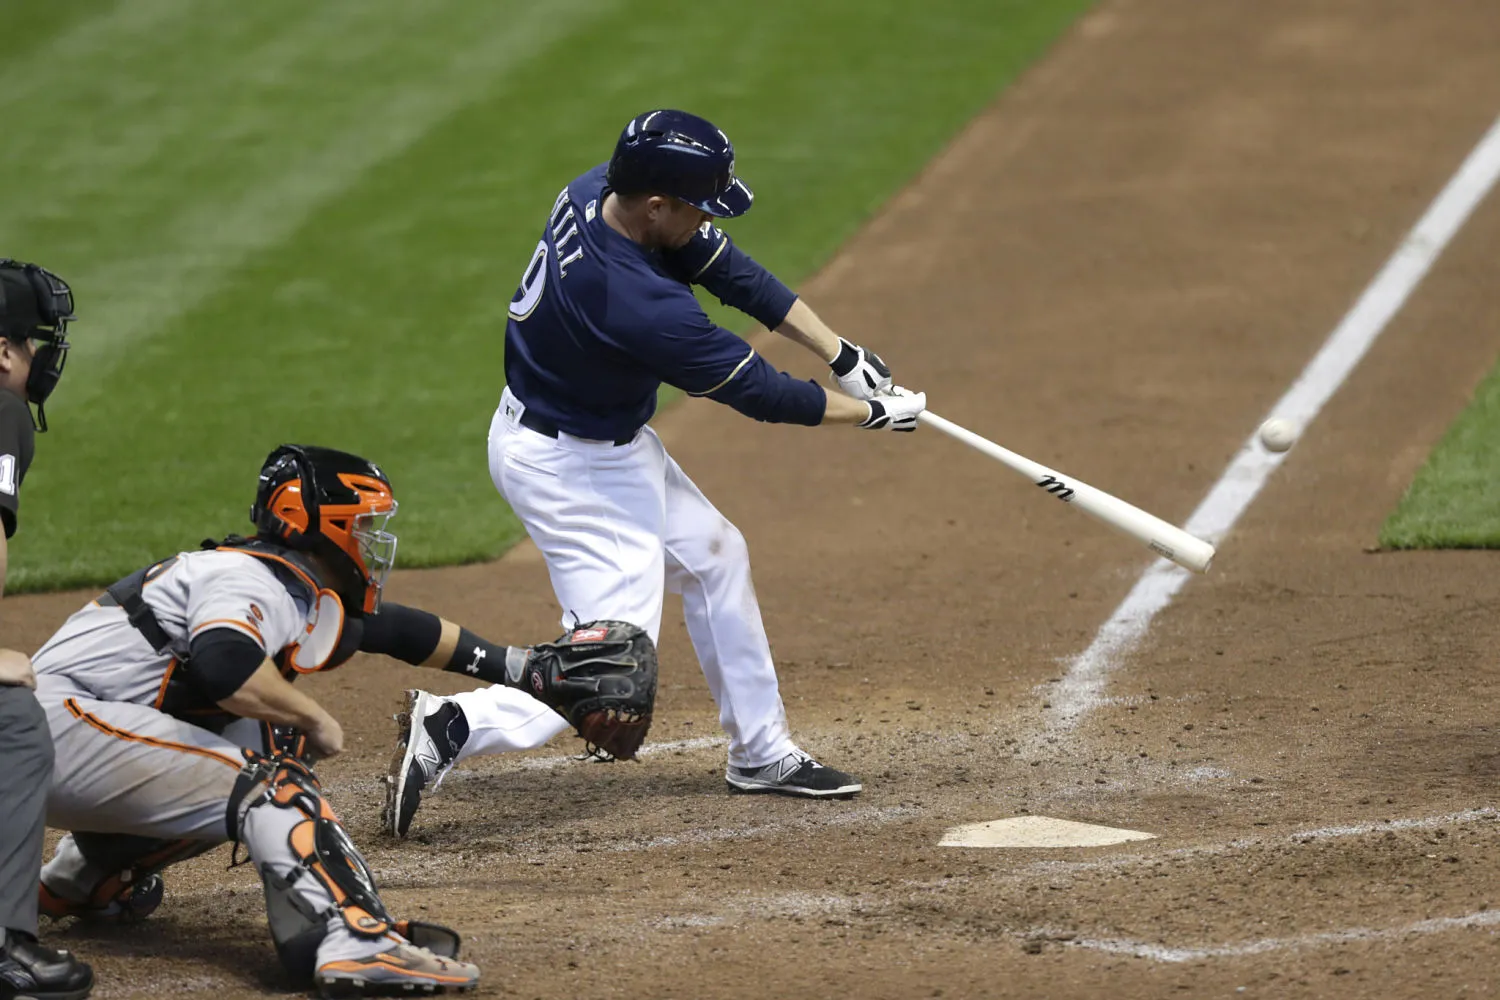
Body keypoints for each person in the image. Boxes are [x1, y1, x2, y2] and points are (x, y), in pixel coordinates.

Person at [384, 108, 927, 836]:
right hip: (569, 467)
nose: (706, 217)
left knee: (714, 556)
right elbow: (761, 394)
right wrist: (872, 416)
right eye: (698, 204)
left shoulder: (601, 191)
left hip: (596, 440)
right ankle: (453, 724)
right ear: (656, 204)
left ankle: (760, 753)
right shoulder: (635, 303)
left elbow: (731, 271)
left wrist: (842, 353)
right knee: (610, 668)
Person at [31, 444, 503, 997]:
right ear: (315, 522)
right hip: (49, 735)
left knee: (269, 743)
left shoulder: (288, 584)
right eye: (362, 524)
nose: (373, 540)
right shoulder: (250, 578)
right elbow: (224, 662)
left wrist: (521, 668)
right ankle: (357, 942)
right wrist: (316, 716)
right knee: (273, 784)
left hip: (65, 742)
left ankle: (83, 877)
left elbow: (398, 631)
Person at [0, 259, 93, 1000]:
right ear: (4, 352)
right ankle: (5, 944)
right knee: (16, 723)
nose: (39, 358)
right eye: (32, 343)